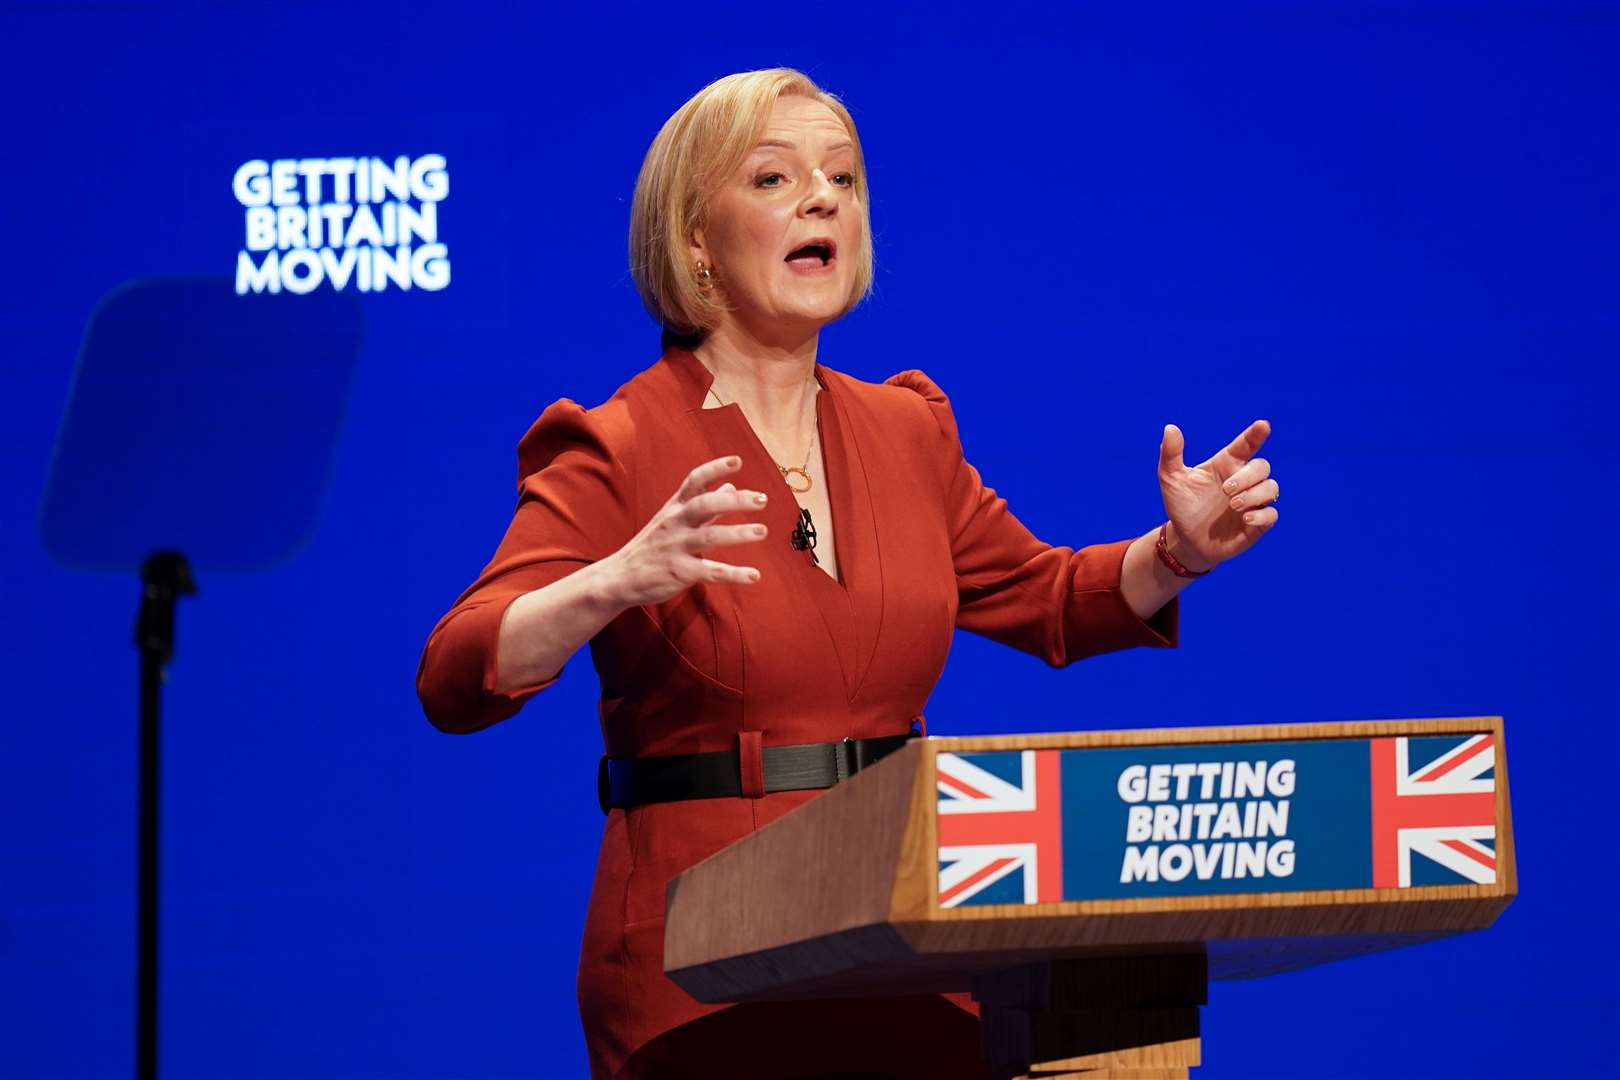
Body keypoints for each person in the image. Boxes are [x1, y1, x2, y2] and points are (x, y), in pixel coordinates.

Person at [416, 67, 1280, 1080]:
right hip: (700, 958)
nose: (823, 199)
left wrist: (1175, 550)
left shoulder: (905, 429)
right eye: (776, 179)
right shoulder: (618, 443)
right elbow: (456, 673)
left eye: (844, 178)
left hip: (905, 929)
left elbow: (1047, 598)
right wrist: (615, 576)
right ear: (695, 239)